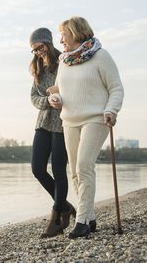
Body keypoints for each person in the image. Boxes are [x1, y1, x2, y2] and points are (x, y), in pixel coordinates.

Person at [48, 16, 124, 239]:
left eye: (64, 34)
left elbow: (116, 88)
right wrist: (56, 99)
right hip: (69, 120)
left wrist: (111, 110)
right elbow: (61, 90)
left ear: (76, 33)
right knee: (74, 172)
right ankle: (89, 218)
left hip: (96, 118)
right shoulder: (64, 60)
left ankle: (81, 222)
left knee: (83, 167)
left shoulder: (101, 56)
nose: (60, 39)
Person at [29, 27, 76, 238]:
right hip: (43, 122)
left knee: (59, 170)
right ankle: (64, 206)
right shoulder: (37, 68)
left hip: (62, 123)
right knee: (37, 168)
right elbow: (33, 97)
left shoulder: (64, 63)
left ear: (48, 43)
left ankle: (56, 218)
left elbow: (74, 89)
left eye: (40, 47)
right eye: (34, 50)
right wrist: (47, 101)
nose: (38, 52)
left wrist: (59, 96)